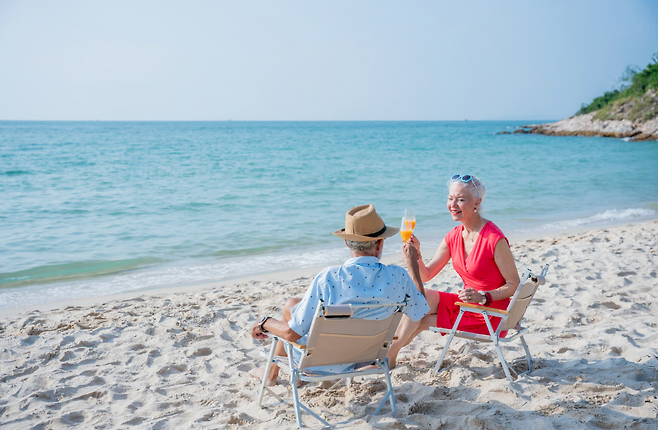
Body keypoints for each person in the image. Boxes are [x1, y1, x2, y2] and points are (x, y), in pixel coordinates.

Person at [250, 204, 430, 386]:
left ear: (346, 242)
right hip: (366, 359)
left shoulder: (330, 277)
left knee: (292, 313)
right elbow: (420, 309)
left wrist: (264, 323)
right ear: (380, 243)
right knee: (292, 304)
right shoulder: (398, 276)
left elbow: (291, 334)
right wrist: (412, 264)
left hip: (321, 362)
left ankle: (271, 374)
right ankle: (271, 374)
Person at [387, 175, 520, 368]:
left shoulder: (494, 239)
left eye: (460, 199)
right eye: (450, 198)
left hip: (489, 314)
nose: (453, 205)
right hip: (466, 305)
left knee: (422, 319)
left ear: (477, 203)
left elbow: (514, 284)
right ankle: (388, 353)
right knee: (419, 298)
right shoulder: (454, 236)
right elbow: (427, 275)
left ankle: (388, 355)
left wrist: (483, 296)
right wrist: (416, 254)